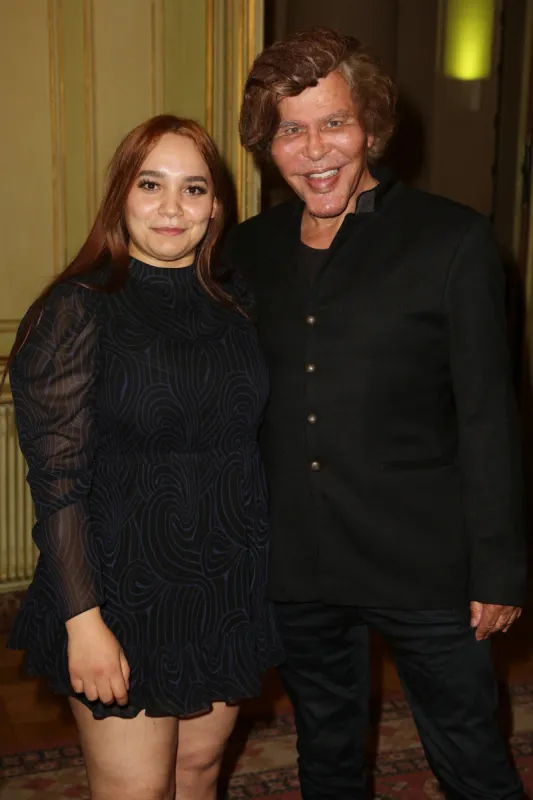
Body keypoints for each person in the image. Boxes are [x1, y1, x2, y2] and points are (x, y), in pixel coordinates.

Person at [224, 26, 527, 800]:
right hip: (296, 560)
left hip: (423, 559)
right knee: (324, 747)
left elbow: (488, 416)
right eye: (291, 129)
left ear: (372, 128)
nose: (315, 148)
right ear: (268, 142)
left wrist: (497, 566)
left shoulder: (451, 240)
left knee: (467, 749)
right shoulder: (244, 252)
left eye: (334, 122)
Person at [5, 114, 283, 800]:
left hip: (224, 582)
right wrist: (84, 622)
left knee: (197, 772)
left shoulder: (238, 303)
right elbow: (58, 486)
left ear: (216, 205)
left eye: (194, 189)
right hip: (121, 592)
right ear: (119, 197)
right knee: (135, 790)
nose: (171, 207)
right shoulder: (78, 309)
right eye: (150, 183)